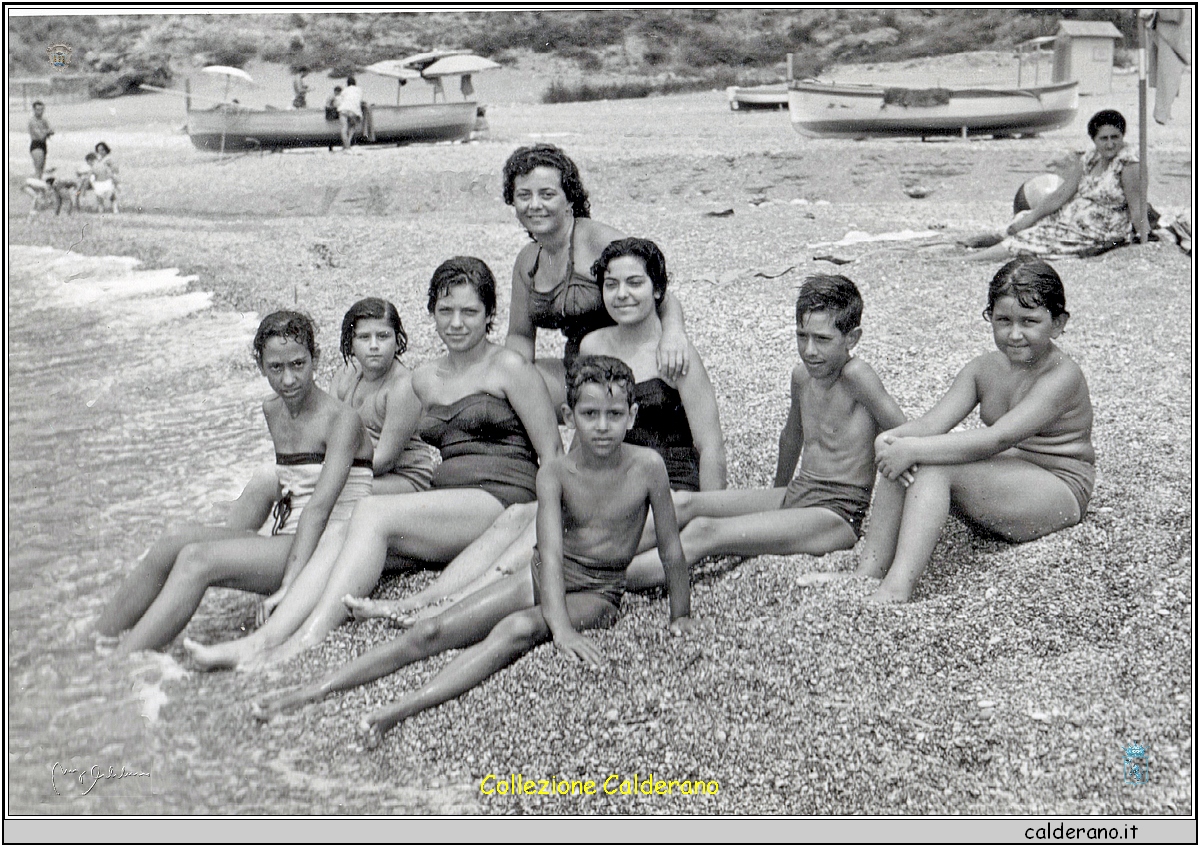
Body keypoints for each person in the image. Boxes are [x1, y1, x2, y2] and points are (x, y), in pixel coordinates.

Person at [252, 356, 695, 751]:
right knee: (429, 632)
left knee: (515, 629)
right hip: (544, 576)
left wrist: (680, 618)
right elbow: (550, 554)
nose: (602, 426)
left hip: (597, 593)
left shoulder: (648, 468)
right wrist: (560, 627)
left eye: (615, 415)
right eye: (590, 414)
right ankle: (314, 691)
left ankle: (400, 710)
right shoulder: (557, 473)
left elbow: (673, 552)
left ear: (632, 415)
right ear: (569, 416)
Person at [185, 257, 563, 671]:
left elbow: (554, 456)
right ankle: (263, 638)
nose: (456, 323)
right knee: (341, 529)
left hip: (502, 498)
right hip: (450, 500)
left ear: (490, 314)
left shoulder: (510, 367)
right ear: (431, 314)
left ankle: (306, 639)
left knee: (369, 511)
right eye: (445, 311)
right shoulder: (425, 379)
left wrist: (538, 524)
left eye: (470, 312)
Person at [345, 237, 727, 621]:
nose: (622, 294)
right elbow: (586, 429)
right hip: (609, 479)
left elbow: (709, 444)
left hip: (666, 489)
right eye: (611, 285)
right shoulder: (594, 345)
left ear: (657, 290)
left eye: (634, 284)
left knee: (545, 531)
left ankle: (453, 607)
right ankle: (420, 600)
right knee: (518, 517)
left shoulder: (675, 351)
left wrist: (712, 517)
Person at [809, 258, 1095, 603]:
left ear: (1058, 324)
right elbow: (932, 424)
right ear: (990, 317)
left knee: (931, 462)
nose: (1015, 334)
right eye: (1003, 321)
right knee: (908, 449)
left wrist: (914, 450)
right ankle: (869, 570)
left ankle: (898, 586)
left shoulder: (1062, 376)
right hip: (1009, 477)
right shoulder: (982, 368)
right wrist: (894, 439)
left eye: (1029, 322)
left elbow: (997, 438)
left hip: (1058, 490)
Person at [94, 312, 375, 657]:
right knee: (172, 540)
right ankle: (98, 641)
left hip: (326, 545)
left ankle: (118, 666)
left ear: (315, 359)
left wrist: (290, 585)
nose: (288, 379)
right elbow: (292, 486)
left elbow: (318, 508)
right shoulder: (273, 409)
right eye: (276, 368)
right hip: (288, 537)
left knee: (197, 560)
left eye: (299, 364)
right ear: (261, 366)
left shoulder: (341, 420)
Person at [613, 274, 908, 588]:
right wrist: (775, 498)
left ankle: (599, 581)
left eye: (822, 339)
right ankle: (597, 557)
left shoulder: (857, 376)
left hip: (836, 515)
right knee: (684, 503)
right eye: (801, 336)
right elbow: (791, 437)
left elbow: (906, 435)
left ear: (852, 338)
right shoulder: (802, 377)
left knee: (704, 532)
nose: (809, 350)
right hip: (798, 494)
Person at [969, 110, 1150, 261]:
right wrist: (1031, 217)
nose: (1110, 144)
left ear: (1122, 136)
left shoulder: (1129, 165)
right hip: (1072, 220)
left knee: (1032, 238)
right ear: (1094, 139)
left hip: (1099, 231)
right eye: (1104, 138)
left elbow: (1137, 208)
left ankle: (970, 260)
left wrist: (1145, 241)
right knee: (1024, 220)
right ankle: (976, 246)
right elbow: (1062, 194)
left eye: (1115, 137)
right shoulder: (1091, 158)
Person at [91, 141, 119, 213]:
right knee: (99, 195)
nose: (101, 152)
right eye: (99, 150)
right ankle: (101, 209)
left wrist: (114, 178)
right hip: (99, 179)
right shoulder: (98, 160)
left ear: (106, 150)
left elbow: (115, 170)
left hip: (108, 179)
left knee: (111, 194)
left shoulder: (109, 159)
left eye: (103, 150)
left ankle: (115, 208)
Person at [28, 100, 53, 180]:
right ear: (34, 110)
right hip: (36, 145)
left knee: (41, 169)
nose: (41, 112)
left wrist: (46, 132)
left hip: (43, 145)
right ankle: (36, 186)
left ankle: (38, 186)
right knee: (38, 169)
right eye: (38, 109)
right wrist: (46, 132)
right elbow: (40, 136)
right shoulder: (32, 121)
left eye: (42, 109)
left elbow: (52, 130)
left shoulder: (43, 119)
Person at [338, 76, 363, 152]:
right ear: (355, 83)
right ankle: (348, 143)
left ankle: (346, 146)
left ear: (347, 84)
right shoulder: (359, 90)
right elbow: (359, 100)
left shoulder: (344, 90)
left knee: (344, 128)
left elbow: (340, 101)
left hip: (343, 109)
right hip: (354, 110)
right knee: (352, 127)